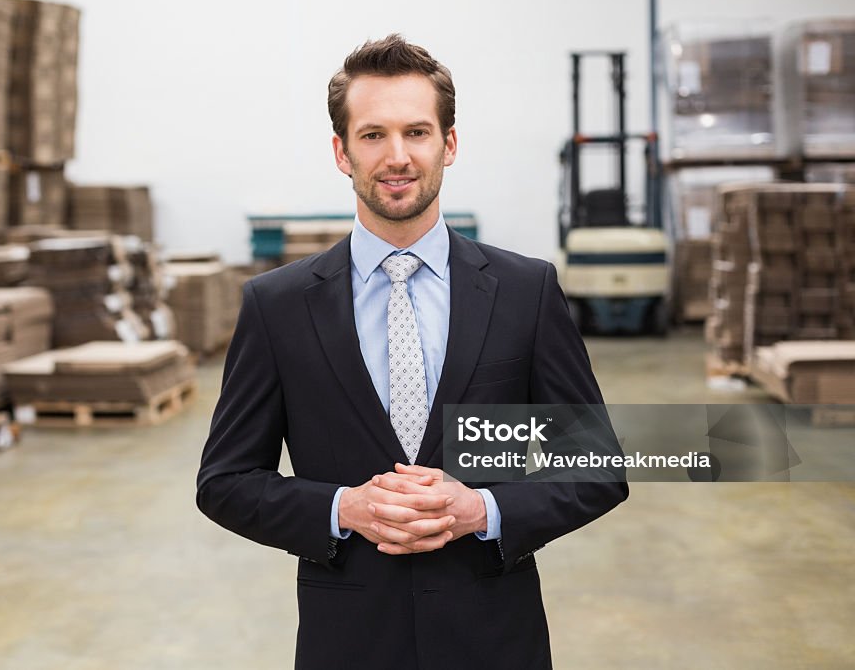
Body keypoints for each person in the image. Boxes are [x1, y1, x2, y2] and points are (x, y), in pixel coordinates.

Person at [196, 34, 628, 670]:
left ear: (448, 144)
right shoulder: (278, 306)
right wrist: (346, 508)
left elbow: (596, 468)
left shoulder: (524, 291)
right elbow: (225, 482)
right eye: (372, 136)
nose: (397, 157)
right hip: (349, 641)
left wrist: (482, 509)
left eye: (417, 133)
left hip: (493, 640)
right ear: (342, 152)